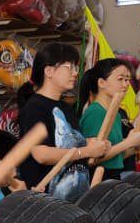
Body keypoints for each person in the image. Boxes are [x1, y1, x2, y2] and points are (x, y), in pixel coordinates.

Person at [16, 42, 111, 199]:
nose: (75, 73)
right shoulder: (35, 107)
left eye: (76, 67)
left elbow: (65, 143)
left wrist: (93, 144)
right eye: (69, 67)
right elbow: (41, 153)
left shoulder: (66, 108)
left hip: (74, 199)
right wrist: (86, 151)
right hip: (45, 201)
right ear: (49, 71)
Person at [79, 59, 140, 181]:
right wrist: (127, 142)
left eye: (127, 80)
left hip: (114, 177)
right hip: (98, 179)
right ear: (102, 83)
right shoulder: (95, 112)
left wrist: (133, 147)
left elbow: (114, 156)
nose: (126, 84)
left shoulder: (116, 114)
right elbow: (92, 160)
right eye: (120, 79)